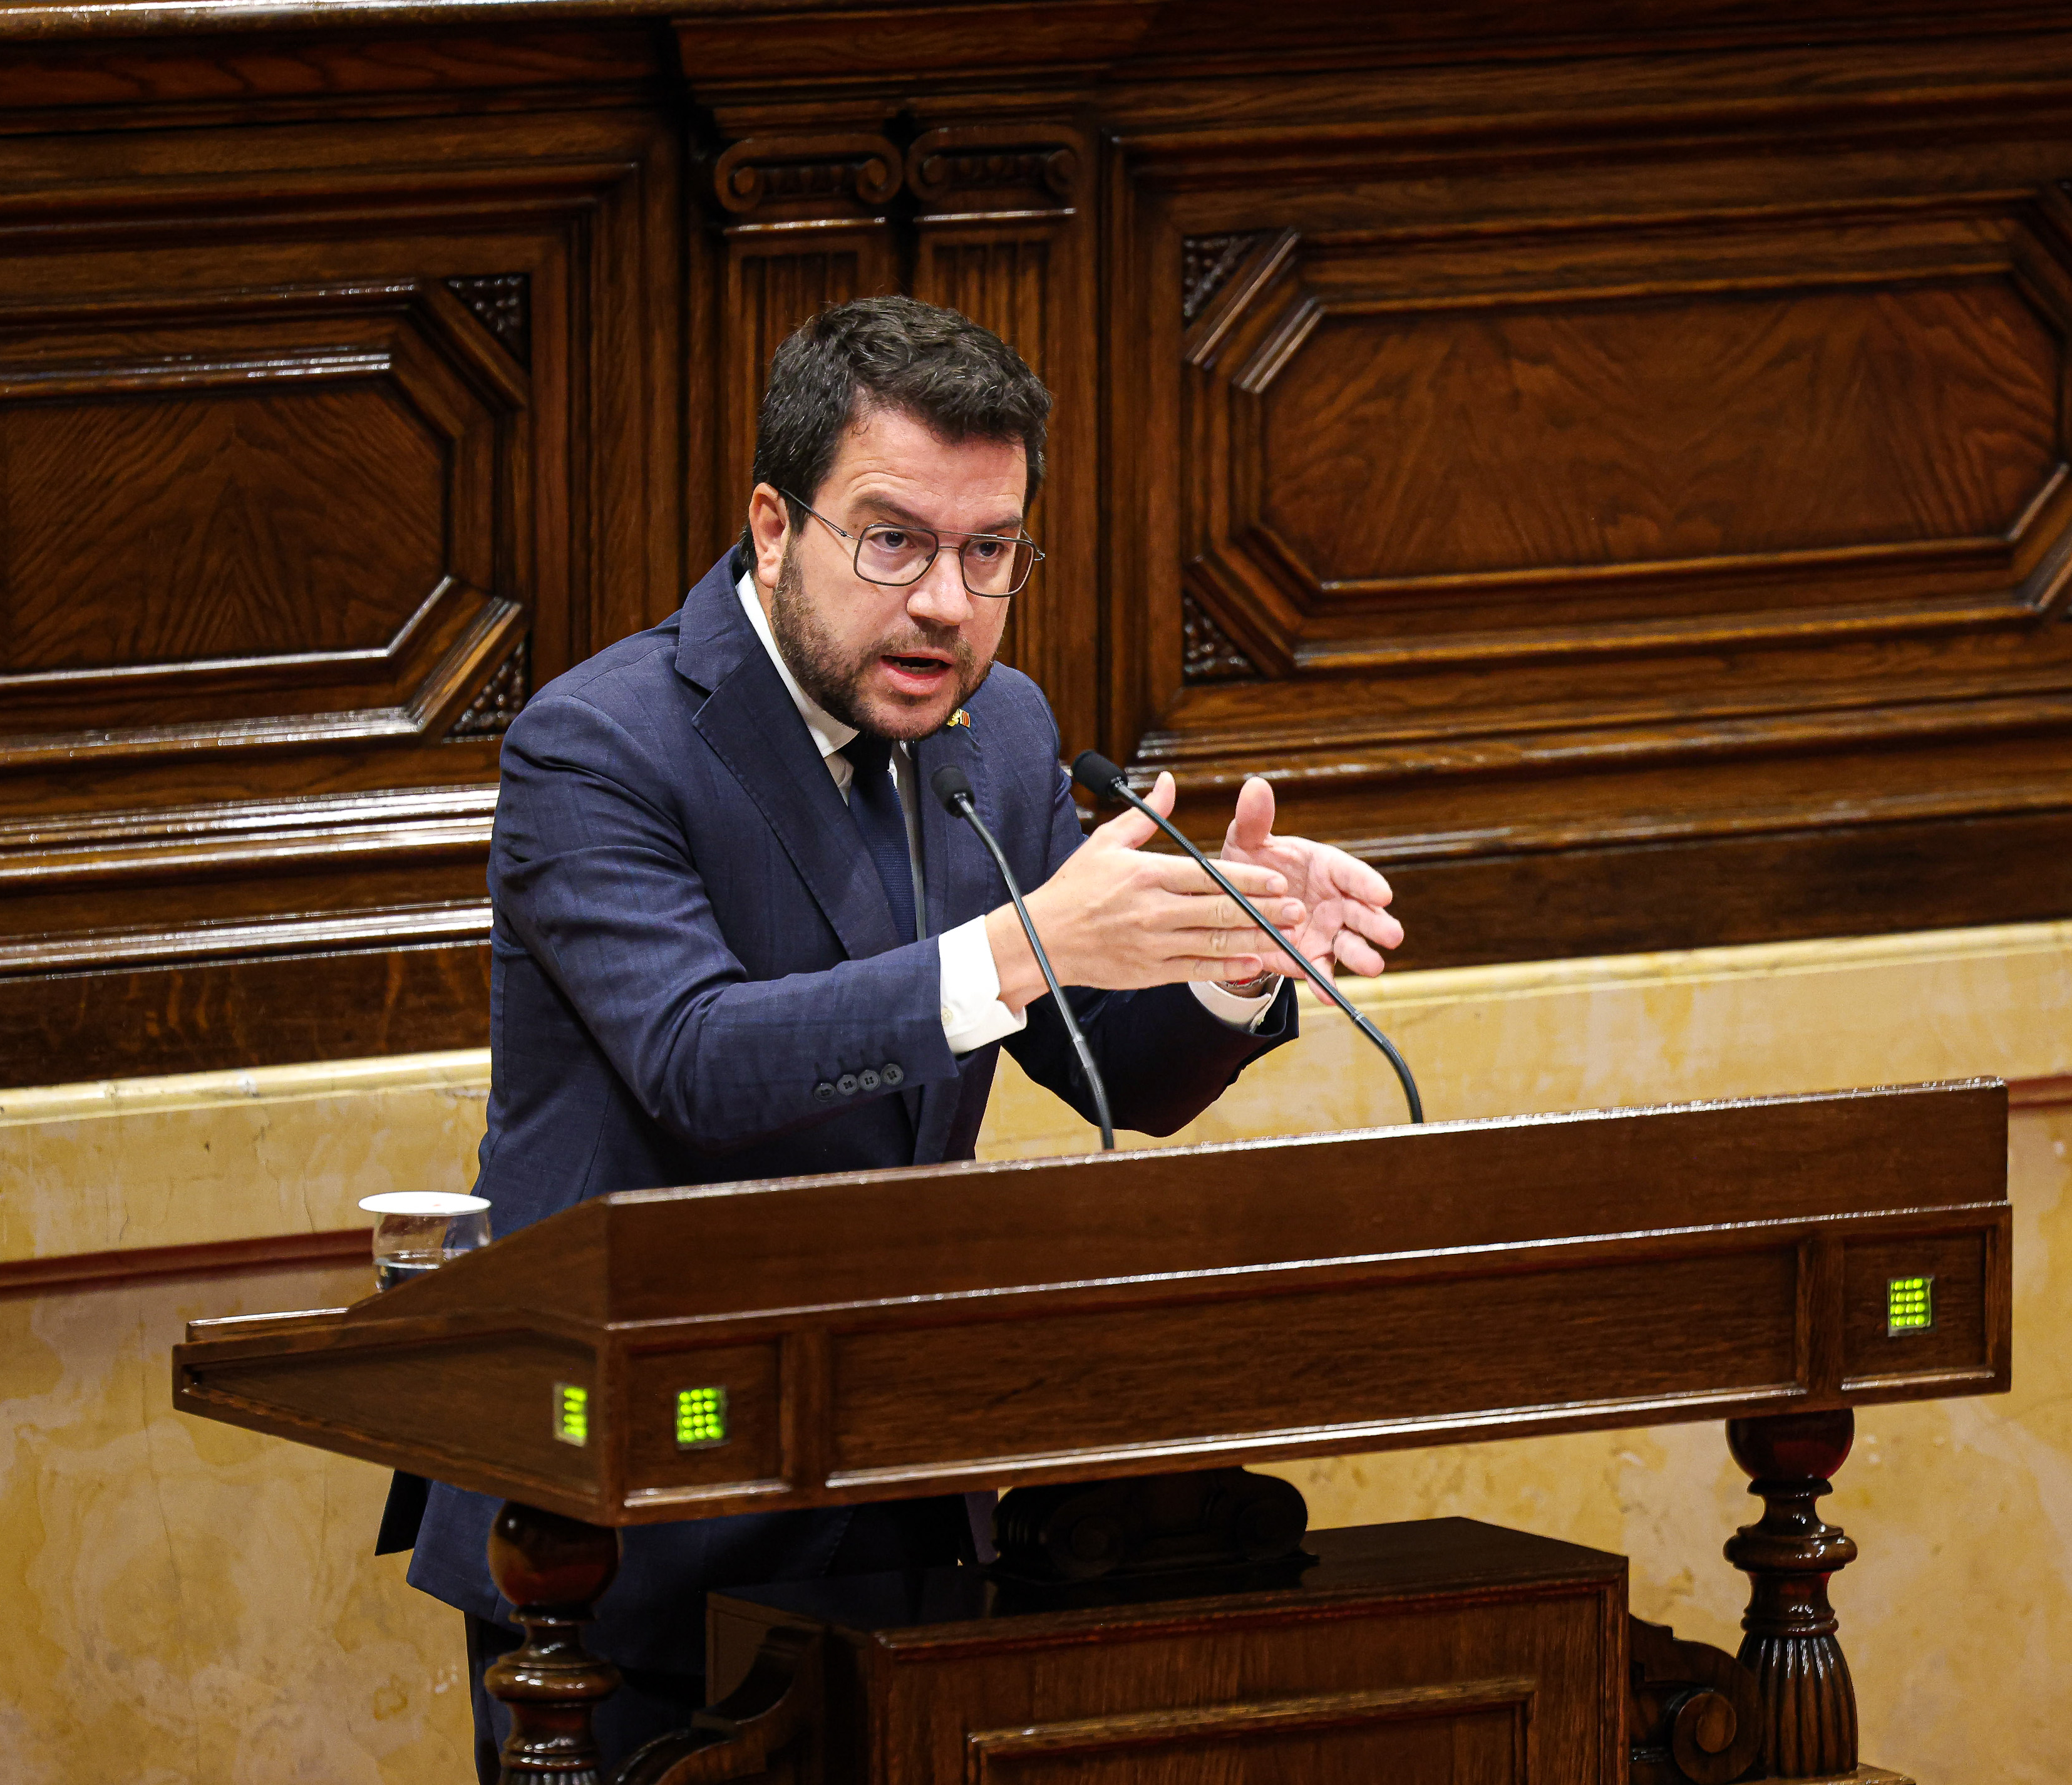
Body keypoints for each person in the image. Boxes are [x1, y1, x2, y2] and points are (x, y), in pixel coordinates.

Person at [379, 295, 1404, 1778]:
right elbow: (699, 1056)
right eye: (895, 540)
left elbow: (1107, 1066)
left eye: (990, 553)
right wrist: (1023, 946)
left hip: (902, 1499)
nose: (946, 601)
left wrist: (1227, 965)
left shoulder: (997, 733)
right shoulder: (596, 745)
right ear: (774, 525)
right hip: (627, 1521)